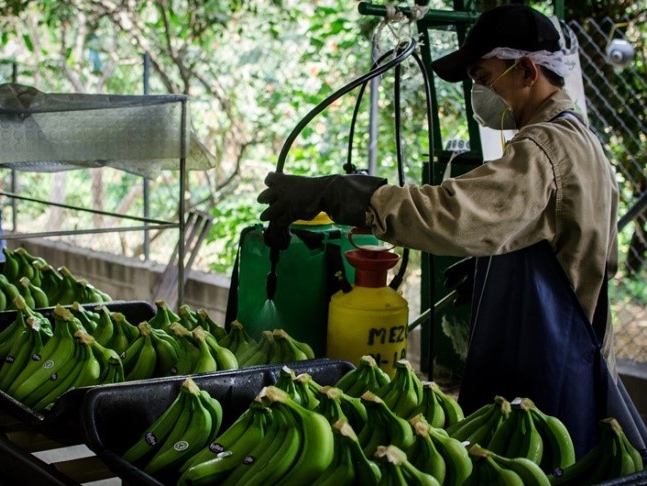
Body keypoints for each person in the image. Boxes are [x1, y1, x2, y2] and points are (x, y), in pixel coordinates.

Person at [258, 4, 647, 457]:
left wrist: (344, 195)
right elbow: (571, 243)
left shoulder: (543, 150)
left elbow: (450, 212)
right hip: (571, 345)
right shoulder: (579, 135)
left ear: (526, 70)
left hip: (548, 364)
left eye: (484, 78)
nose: (478, 93)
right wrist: (502, 268)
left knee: (527, 462)